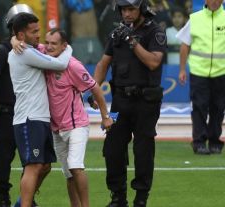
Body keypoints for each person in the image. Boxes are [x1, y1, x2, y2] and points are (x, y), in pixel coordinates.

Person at [93, 0, 166, 206]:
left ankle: (141, 198)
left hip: (146, 102)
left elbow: (153, 61)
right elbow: (103, 63)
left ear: (141, 9)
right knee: (112, 149)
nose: (126, 13)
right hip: (120, 101)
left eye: (131, 9)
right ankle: (118, 197)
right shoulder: (117, 34)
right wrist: (94, 90)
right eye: (124, 9)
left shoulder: (155, 32)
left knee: (143, 151)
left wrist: (132, 41)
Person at [8, 12, 73, 207]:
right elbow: (61, 64)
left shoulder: (27, 48)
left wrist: (12, 39)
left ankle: (22, 203)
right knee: (34, 166)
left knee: (44, 166)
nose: (39, 34)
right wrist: (67, 47)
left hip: (40, 118)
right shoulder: (24, 52)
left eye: (39, 30)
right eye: (34, 31)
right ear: (21, 35)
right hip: (29, 118)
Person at [44, 28, 113, 207]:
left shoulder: (73, 65)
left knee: (75, 166)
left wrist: (105, 116)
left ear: (64, 46)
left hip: (76, 125)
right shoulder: (43, 58)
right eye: (48, 43)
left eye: (54, 44)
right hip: (56, 128)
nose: (49, 47)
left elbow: (95, 87)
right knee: (68, 174)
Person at [0, 4, 34, 207]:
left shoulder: (33, 51)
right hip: (5, 114)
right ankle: (2, 199)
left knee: (30, 162)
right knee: (2, 160)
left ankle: (28, 199)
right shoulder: (2, 50)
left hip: (27, 113)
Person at [176, 0, 225, 155]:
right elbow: (185, 45)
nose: (215, 2)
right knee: (199, 108)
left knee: (218, 108)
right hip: (198, 72)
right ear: (205, 0)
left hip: (221, 72)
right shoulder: (195, 18)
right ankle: (199, 142)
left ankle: (215, 142)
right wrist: (182, 69)